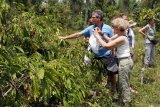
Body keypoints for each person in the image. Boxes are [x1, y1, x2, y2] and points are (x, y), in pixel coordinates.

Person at [59, 10, 118, 96]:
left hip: (106, 55)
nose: (91, 18)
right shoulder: (91, 28)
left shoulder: (108, 28)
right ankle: (97, 92)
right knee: (96, 74)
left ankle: (113, 90)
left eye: (93, 17)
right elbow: (78, 34)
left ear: (99, 18)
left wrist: (113, 53)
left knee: (111, 74)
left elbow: (113, 41)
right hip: (95, 56)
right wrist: (64, 37)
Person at [93, 18, 134, 106]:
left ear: (119, 28)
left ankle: (127, 102)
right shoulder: (120, 35)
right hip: (124, 61)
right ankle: (122, 101)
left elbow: (107, 46)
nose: (113, 29)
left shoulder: (122, 38)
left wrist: (97, 37)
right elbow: (110, 40)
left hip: (124, 62)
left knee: (123, 84)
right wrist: (102, 34)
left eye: (114, 27)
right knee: (122, 82)